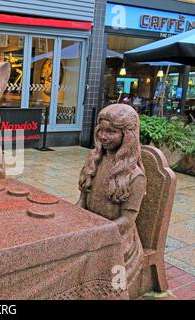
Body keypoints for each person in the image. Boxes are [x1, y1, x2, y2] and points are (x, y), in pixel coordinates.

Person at [77, 103, 147, 298]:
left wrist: (99, 233)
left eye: (111, 132)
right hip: (91, 227)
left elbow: (127, 220)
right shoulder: (94, 162)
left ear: (128, 135)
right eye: (101, 130)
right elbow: (82, 201)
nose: (104, 136)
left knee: (91, 265)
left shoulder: (135, 176)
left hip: (117, 237)